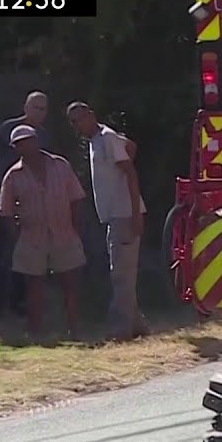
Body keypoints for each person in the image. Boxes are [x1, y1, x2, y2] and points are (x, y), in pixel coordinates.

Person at [67, 102, 148, 340]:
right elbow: (131, 146)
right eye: (73, 122)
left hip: (123, 213)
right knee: (123, 271)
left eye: (79, 118)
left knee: (121, 274)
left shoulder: (107, 138)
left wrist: (135, 214)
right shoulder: (99, 140)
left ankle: (121, 328)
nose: (77, 125)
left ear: (90, 115)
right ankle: (136, 324)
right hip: (114, 213)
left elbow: (130, 173)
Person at [0, 125, 87, 339]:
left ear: (36, 141)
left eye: (28, 140)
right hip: (31, 236)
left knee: (70, 283)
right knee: (34, 287)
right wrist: (17, 236)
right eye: (20, 144)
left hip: (64, 232)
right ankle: (36, 332)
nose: (25, 146)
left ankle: (74, 329)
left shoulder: (60, 165)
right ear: (15, 148)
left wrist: (76, 227)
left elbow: (76, 199)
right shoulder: (13, 175)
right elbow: (6, 211)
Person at [0, 91, 51, 318]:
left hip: (31, 201)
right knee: (4, 250)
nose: (39, 112)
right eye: (36, 107)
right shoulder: (8, 128)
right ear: (26, 107)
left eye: (43, 108)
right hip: (5, 197)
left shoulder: (42, 136)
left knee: (28, 251)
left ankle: (19, 303)